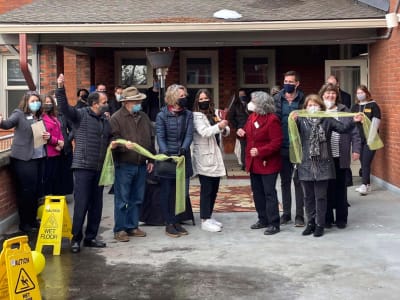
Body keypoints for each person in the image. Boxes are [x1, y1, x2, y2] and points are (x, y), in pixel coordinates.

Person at [291, 94, 363, 237]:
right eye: (310, 105)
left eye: (316, 105)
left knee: (321, 196)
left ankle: (320, 224)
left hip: (323, 163)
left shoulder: (327, 120)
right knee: (308, 197)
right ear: (305, 108)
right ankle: (310, 222)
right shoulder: (301, 120)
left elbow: (342, 129)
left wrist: (353, 122)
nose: (313, 107)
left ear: (321, 107)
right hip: (306, 163)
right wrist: (292, 121)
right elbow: (293, 136)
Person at [56, 74, 112, 253]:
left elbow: (111, 138)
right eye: (104, 101)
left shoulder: (105, 121)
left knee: (97, 205)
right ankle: (76, 238)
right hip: (83, 167)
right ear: (94, 103)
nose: (106, 103)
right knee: (81, 204)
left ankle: (91, 237)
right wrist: (60, 88)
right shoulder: (80, 115)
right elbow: (64, 108)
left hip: (99, 168)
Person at [109, 86, 155, 242]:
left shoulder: (144, 116)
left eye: (139, 101)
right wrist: (123, 146)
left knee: (137, 198)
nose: (139, 103)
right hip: (124, 164)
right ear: (127, 102)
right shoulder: (116, 118)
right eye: (137, 101)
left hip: (141, 164)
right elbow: (112, 140)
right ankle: (120, 229)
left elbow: (150, 138)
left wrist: (151, 159)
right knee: (122, 199)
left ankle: (132, 226)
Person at [0, 91, 50, 233]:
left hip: (39, 157)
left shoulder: (39, 116)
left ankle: (33, 220)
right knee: (26, 191)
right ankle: (24, 223)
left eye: (37, 100)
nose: (36, 103)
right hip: (24, 158)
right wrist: (1, 122)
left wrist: (47, 136)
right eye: (33, 100)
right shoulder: (19, 113)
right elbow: (7, 123)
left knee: (35, 191)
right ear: (26, 102)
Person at [237, 91, 283, 235]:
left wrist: (261, 151)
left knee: (269, 193)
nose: (251, 103)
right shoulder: (252, 117)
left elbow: (277, 142)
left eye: (254, 101)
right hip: (253, 162)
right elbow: (248, 134)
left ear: (262, 104)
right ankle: (262, 218)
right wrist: (241, 133)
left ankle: (274, 222)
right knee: (257, 193)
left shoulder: (272, 119)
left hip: (267, 162)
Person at [319, 84, 361, 229]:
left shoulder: (344, 110)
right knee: (326, 189)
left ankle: (341, 219)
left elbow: (354, 132)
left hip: (340, 156)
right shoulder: (318, 111)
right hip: (324, 158)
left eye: (333, 94)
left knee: (341, 190)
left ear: (337, 96)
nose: (330, 96)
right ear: (322, 95)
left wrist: (356, 149)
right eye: (327, 93)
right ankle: (327, 218)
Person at [156, 84, 194, 238]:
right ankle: (169, 223)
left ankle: (177, 220)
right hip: (167, 159)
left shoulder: (188, 114)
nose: (184, 98)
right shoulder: (162, 115)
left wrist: (183, 149)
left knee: (182, 193)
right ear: (173, 97)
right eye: (181, 96)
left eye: (185, 95)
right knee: (167, 192)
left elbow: (189, 134)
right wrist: (166, 151)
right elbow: (160, 135)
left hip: (183, 158)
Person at [192, 89, 230, 232]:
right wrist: (219, 126)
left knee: (214, 188)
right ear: (197, 101)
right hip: (204, 156)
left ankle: (209, 216)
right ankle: (204, 219)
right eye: (201, 99)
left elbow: (225, 131)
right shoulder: (195, 116)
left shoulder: (214, 114)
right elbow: (204, 132)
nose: (203, 101)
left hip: (216, 155)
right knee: (206, 189)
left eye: (205, 98)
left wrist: (224, 127)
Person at [273, 70, 305, 226]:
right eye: (286, 81)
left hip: (299, 146)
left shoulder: (304, 99)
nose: (288, 84)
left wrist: (301, 119)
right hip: (282, 146)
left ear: (297, 83)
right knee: (285, 181)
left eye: (291, 82)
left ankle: (299, 215)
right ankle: (286, 213)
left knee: (299, 181)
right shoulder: (276, 99)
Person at [351, 85, 381, 196]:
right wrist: (354, 120)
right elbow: (350, 121)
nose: (359, 95)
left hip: (370, 139)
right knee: (363, 162)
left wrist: (364, 121)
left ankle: (364, 185)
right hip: (359, 139)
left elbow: (376, 122)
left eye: (361, 92)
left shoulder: (373, 105)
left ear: (366, 93)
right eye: (358, 93)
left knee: (366, 162)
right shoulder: (355, 107)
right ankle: (366, 184)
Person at [42, 94, 64, 196]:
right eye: (46, 102)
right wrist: (57, 142)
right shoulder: (41, 118)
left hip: (57, 151)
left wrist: (61, 143)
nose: (48, 104)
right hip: (48, 153)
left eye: (50, 102)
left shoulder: (54, 117)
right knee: (48, 179)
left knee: (56, 179)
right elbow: (44, 135)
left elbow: (60, 131)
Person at [228, 88, 249, 170]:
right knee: (243, 147)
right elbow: (231, 118)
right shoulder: (235, 105)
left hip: (251, 129)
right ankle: (244, 165)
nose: (242, 96)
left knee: (250, 146)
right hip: (241, 129)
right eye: (240, 95)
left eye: (243, 95)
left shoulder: (250, 104)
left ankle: (251, 163)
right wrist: (237, 127)